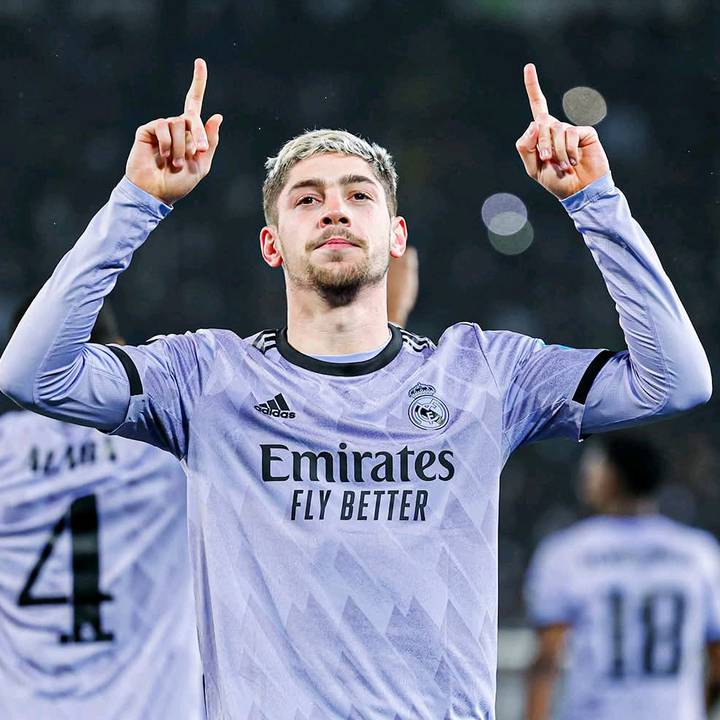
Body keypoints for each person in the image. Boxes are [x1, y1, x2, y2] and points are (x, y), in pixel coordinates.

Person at [0, 58, 711, 719]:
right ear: (272, 244)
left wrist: (595, 201)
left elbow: (675, 380)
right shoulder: (207, 381)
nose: (334, 209)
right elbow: (32, 374)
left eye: (358, 195)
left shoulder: (485, 375)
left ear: (396, 236)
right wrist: (136, 203)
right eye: (307, 199)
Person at [0, 301, 202, 719]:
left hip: (26, 705)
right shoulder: (166, 443)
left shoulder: (4, 453)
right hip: (154, 705)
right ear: (119, 350)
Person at [524, 435, 720, 720]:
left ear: (610, 476)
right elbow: (717, 660)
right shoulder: (699, 553)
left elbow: (547, 660)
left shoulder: (567, 553)